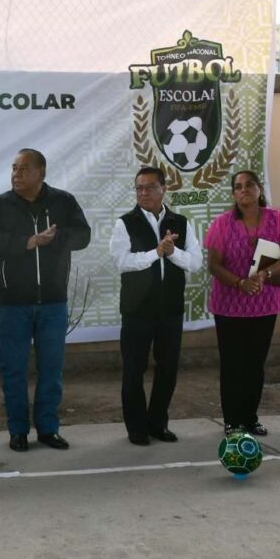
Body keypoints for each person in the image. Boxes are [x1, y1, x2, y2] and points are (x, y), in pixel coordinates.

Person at [0, 148, 91, 452]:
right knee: (13, 370)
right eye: (14, 168)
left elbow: (83, 235)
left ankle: (48, 429)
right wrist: (26, 242)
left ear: (41, 172)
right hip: (13, 303)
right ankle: (17, 431)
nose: (16, 174)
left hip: (53, 302)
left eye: (23, 169)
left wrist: (57, 238)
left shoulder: (63, 202)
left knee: (51, 370)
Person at [109, 166, 202, 446]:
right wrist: (155, 253)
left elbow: (195, 263)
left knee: (168, 369)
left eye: (150, 187)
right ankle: (136, 428)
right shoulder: (125, 223)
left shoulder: (180, 222)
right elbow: (121, 262)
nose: (143, 193)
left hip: (170, 310)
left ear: (164, 188)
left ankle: (158, 423)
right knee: (133, 370)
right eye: (139, 188)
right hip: (137, 310)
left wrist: (172, 253)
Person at [205, 170, 280, 436]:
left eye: (249, 184)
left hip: (264, 304)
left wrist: (265, 274)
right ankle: (232, 421)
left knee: (256, 364)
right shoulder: (222, 223)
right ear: (233, 194)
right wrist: (240, 283)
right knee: (232, 364)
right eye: (238, 187)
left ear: (259, 189)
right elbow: (214, 265)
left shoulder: (277, 219)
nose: (243, 190)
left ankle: (250, 418)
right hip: (229, 305)